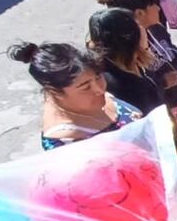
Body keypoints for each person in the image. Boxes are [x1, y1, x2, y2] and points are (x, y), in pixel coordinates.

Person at [96, 0, 177, 162]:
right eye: (154, 4)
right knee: (174, 153)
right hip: (163, 111)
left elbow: (168, 50)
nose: (159, 7)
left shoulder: (157, 30)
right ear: (139, 14)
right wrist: (163, 83)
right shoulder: (130, 56)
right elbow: (142, 89)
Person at [10, 42, 141, 151]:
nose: (100, 89)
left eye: (98, 77)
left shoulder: (91, 98)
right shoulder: (65, 144)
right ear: (55, 91)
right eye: (85, 87)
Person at [88, 8, 165, 115]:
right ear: (132, 37)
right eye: (138, 26)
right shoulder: (125, 86)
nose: (143, 29)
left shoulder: (125, 65)